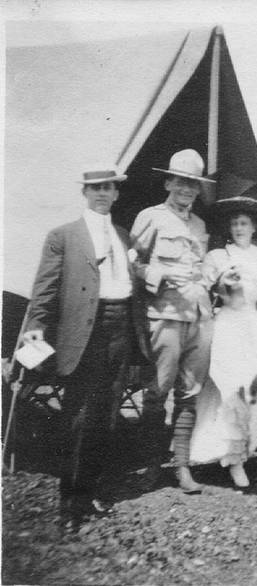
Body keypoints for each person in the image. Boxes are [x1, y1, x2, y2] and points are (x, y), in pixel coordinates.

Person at [22, 167, 136, 529]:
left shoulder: (123, 236)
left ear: (117, 194)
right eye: (95, 188)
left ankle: (89, 493)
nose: (102, 193)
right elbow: (46, 288)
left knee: (108, 412)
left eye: (108, 188)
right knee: (79, 414)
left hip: (122, 328)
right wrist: (36, 327)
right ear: (84, 193)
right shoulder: (64, 236)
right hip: (86, 332)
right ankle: (69, 502)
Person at [189, 189, 257, 488]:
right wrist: (224, 282)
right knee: (231, 390)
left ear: (254, 227)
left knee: (255, 393)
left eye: (244, 223)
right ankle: (230, 460)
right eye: (234, 223)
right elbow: (211, 287)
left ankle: (240, 453)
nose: (238, 228)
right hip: (228, 326)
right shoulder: (219, 255)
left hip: (254, 328)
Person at [130, 149, 215, 494]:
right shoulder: (150, 217)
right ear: (168, 182)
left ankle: (182, 467)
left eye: (193, 184)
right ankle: (151, 465)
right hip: (164, 315)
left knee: (190, 392)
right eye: (180, 181)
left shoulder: (200, 225)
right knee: (157, 391)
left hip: (198, 315)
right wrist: (154, 275)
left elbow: (202, 267)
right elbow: (132, 261)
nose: (186, 189)